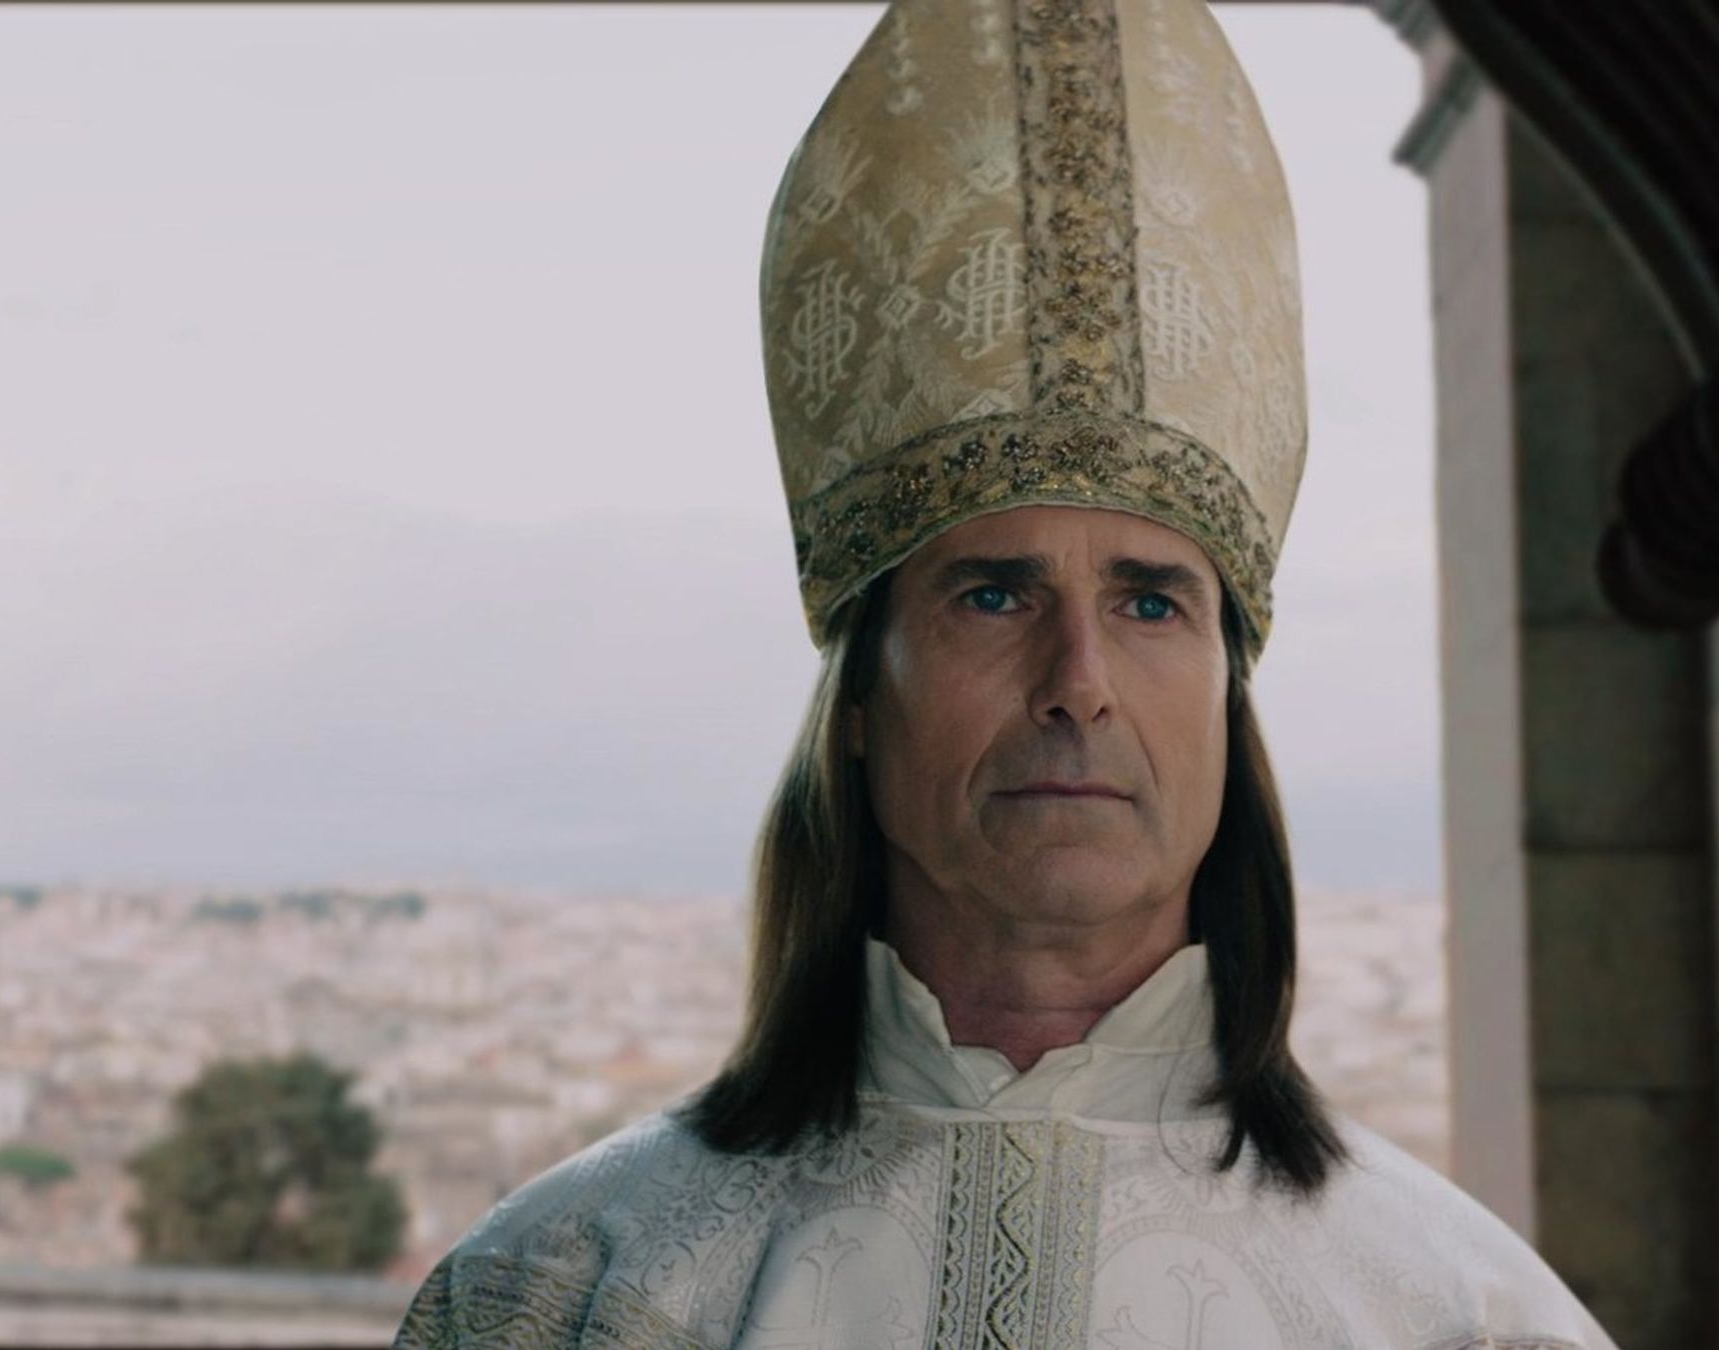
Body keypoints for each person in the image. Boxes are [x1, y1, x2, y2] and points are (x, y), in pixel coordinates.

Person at [394, 0, 1619, 1345]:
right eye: (993, 593)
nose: (1078, 679)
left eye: (1149, 602)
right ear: (860, 704)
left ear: (1226, 700)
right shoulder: (567, 1294)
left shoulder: (1458, 1319)